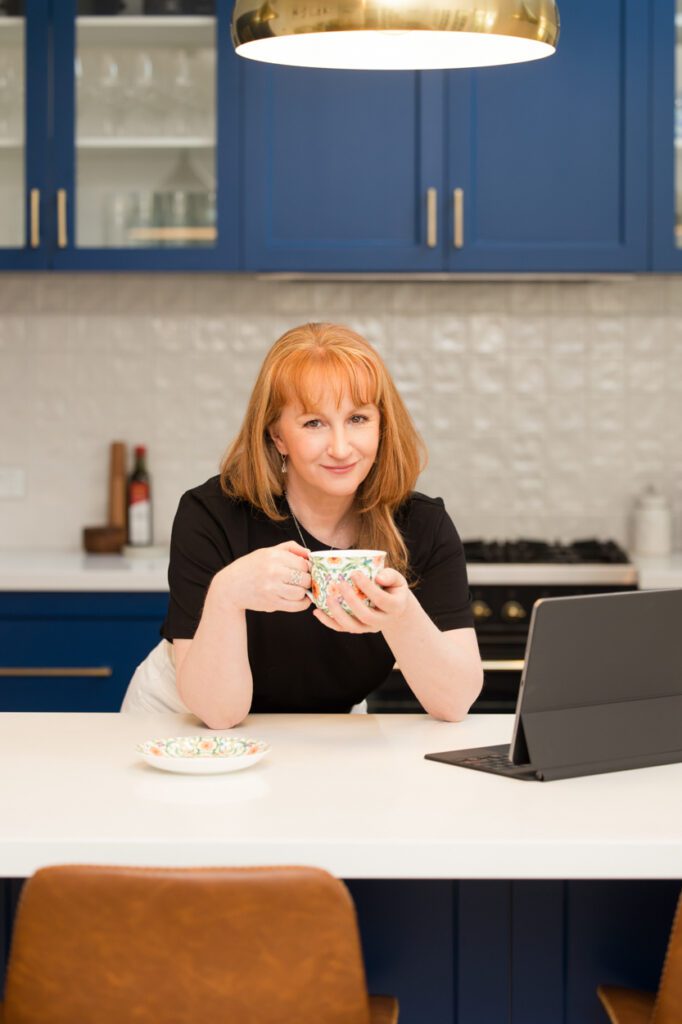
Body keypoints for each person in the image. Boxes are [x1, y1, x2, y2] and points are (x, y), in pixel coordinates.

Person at [121, 322, 483, 726]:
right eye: (314, 423)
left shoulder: (422, 525)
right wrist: (226, 594)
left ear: (382, 424)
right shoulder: (212, 515)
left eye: (358, 418)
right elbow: (219, 715)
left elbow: (455, 703)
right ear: (277, 435)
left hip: (324, 727)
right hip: (185, 719)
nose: (342, 448)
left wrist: (401, 617)